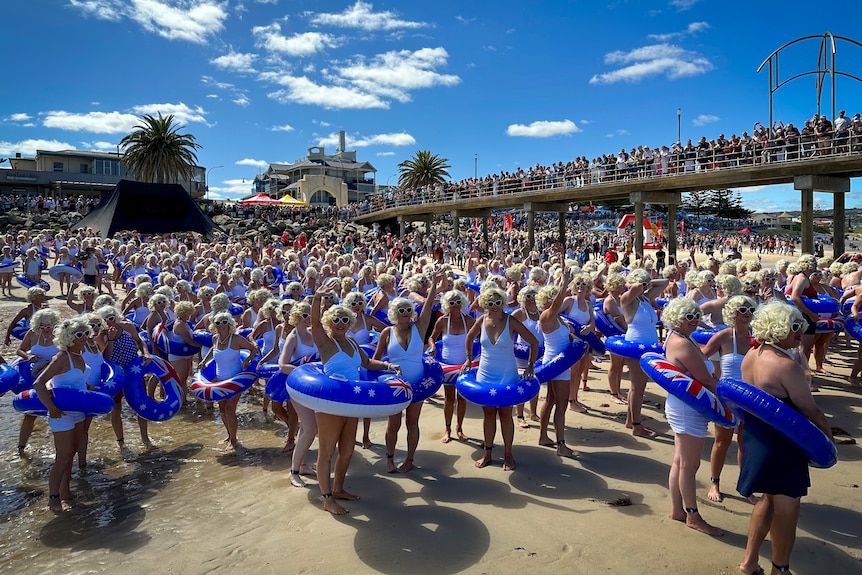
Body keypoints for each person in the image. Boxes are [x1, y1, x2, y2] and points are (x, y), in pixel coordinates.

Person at [736, 301, 833, 575]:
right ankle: (780, 569)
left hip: (759, 436)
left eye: (800, 326)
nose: (800, 332)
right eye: (794, 327)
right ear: (776, 329)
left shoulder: (752, 355)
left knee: (768, 499)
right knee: (787, 510)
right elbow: (809, 408)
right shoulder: (783, 365)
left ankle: (749, 562)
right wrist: (828, 440)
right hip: (783, 442)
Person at [309, 286, 397, 515]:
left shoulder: (352, 342)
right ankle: (327, 499)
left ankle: (338, 489)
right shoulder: (326, 342)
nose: (340, 322)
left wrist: (388, 366)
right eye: (336, 319)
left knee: (347, 451)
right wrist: (318, 298)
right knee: (326, 452)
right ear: (330, 321)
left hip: (352, 401)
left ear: (350, 323)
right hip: (331, 401)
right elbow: (315, 324)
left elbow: (367, 364)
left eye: (344, 319)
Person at [661, 298, 724, 537]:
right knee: (690, 464)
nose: (694, 320)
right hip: (688, 408)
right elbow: (705, 379)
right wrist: (731, 399)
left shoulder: (680, 338)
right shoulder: (682, 343)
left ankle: (678, 510)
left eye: (696, 315)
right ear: (677, 319)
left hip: (684, 405)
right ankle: (692, 516)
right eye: (689, 317)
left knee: (680, 461)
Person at [460, 286, 539, 471]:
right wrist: (469, 359)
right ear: (484, 304)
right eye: (490, 303)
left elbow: (533, 342)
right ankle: (487, 452)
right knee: (488, 414)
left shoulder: (510, 321)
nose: (494, 306)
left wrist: (530, 364)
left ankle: (508, 453)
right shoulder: (481, 320)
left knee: (505, 414)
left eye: (497, 303)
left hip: (507, 373)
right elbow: (469, 337)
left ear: (503, 303)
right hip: (485, 373)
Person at [374, 271, 444, 473]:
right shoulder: (387, 333)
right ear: (394, 314)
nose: (405, 313)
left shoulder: (419, 327)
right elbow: (376, 359)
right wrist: (386, 368)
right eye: (401, 310)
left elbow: (429, 304)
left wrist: (433, 283)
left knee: (412, 423)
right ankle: (389, 459)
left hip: (416, 385)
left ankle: (410, 459)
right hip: (395, 386)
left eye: (408, 309)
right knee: (393, 424)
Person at [30, 316, 93, 512]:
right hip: (61, 413)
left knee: (71, 454)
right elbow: (39, 384)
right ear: (69, 337)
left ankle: (65, 492)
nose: (84, 337)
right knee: (63, 457)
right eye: (79, 334)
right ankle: (53, 499)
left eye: (86, 333)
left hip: (78, 412)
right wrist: (52, 408)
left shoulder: (80, 354)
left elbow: (78, 383)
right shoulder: (62, 357)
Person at [701, 295, 757, 504]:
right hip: (726, 396)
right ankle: (714, 482)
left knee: (746, 443)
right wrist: (715, 382)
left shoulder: (757, 338)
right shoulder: (724, 336)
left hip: (750, 397)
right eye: (743, 310)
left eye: (750, 310)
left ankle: (745, 486)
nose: (748, 314)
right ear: (732, 313)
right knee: (722, 442)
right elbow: (702, 358)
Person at [199, 312, 260, 453]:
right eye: (218, 322)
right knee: (221, 410)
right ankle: (229, 435)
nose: (221, 325)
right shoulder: (215, 338)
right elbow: (213, 350)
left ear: (229, 323)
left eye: (224, 322)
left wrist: (247, 360)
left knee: (229, 410)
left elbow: (254, 348)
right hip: (220, 379)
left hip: (235, 380)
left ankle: (233, 441)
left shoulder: (236, 339)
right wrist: (203, 361)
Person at [535, 268, 580, 458]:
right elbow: (556, 304)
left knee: (551, 399)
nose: (556, 301)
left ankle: (544, 436)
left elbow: (565, 337)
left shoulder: (559, 319)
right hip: (556, 364)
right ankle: (561, 445)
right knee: (561, 404)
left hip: (559, 362)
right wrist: (564, 282)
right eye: (552, 298)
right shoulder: (546, 315)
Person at [620, 269, 668, 438]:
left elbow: (665, 282)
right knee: (637, 387)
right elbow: (634, 289)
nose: (646, 285)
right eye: (643, 282)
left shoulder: (646, 298)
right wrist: (633, 283)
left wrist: (647, 284)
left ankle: (629, 419)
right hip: (635, 344)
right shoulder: (627, 300)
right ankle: (637, 425)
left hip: (649, 344)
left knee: (638, 386)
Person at [278, 301, 319, 486]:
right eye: (305, 315)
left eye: (310, 314)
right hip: (298, 386)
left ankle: (302, 464)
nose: (309, 318)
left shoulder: (313, 334)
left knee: (307, 428)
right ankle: (293, 472)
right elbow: (282, 365)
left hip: (313, 387)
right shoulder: (293, 337)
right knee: (310, 428)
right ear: (296, 317)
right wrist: (304, 370)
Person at [427, 289, 475, 443]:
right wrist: (433, 347)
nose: (455, 305)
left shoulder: (468, 320)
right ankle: (447, 429)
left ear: (462, 303)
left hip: (465, 365)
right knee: (449, 399)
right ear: (447, 304)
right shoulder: (442, 321)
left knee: (462, 399)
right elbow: (432, 338)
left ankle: (459, 428)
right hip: (447, 365)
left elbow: (482, 336)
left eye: (458, 302)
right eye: (452, 303)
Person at [15, 308, 61, 454]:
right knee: (29, 414)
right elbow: (20, 350)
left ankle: (60, 449)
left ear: (54, 324)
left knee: (57, 413)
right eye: (42, 326)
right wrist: (28, 357)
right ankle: (21, 448)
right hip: (34, 377)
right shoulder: (33, 333)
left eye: (48, 326)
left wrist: (45, 365)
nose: (46, 329)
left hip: (55, 378)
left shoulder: (59, 336)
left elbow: (64, 355)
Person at [510, 286, 543, 427]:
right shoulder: (519, 313)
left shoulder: (541, 313)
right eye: (528, 296)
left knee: (536, 383)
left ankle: (534, 413)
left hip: (539, 353)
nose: (531, 299)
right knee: (522, 384)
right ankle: (520, 415)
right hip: (521, 354)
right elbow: (508, 330)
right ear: (523, 298)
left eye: (533, 295)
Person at [602, 273, 629, 404]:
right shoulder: (610, 300)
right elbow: (618, 319)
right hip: (615, 336)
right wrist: (630, 330)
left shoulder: (620, 298)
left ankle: (618, 391)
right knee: (614, 365)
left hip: (623, 335)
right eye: (620, 285)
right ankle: (613, 393)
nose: (623, 287)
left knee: (620, 365)